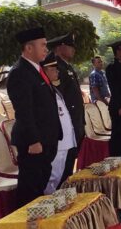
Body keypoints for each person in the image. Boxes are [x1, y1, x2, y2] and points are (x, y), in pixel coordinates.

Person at [7, 27, 62, 207]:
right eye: (43, 45)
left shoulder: (36, 69)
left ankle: (36, 226)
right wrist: (33, 140)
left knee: (39, 187)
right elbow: (24, 111)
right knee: (29, 191)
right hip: (34, 144)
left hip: (46, 140)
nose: (47, 49)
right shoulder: (20, 72)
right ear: (29, 48)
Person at [46, 33, 84, 187]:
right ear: (61, 47)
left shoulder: (66, 66)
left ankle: (65, 194)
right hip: (65, 124)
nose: (74, 50)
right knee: (61, 169)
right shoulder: (55, 67)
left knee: (69, 165)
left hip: (73, 123)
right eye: (71, 46)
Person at [40, 53, 76, 193]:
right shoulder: (44, 90)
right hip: (57, 142)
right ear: (45, 70)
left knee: (59, 175)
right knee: (52, 176)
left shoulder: (53, 89)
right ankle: (48, 203)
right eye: (53, 69)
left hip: (65, 140)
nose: (57, 71)